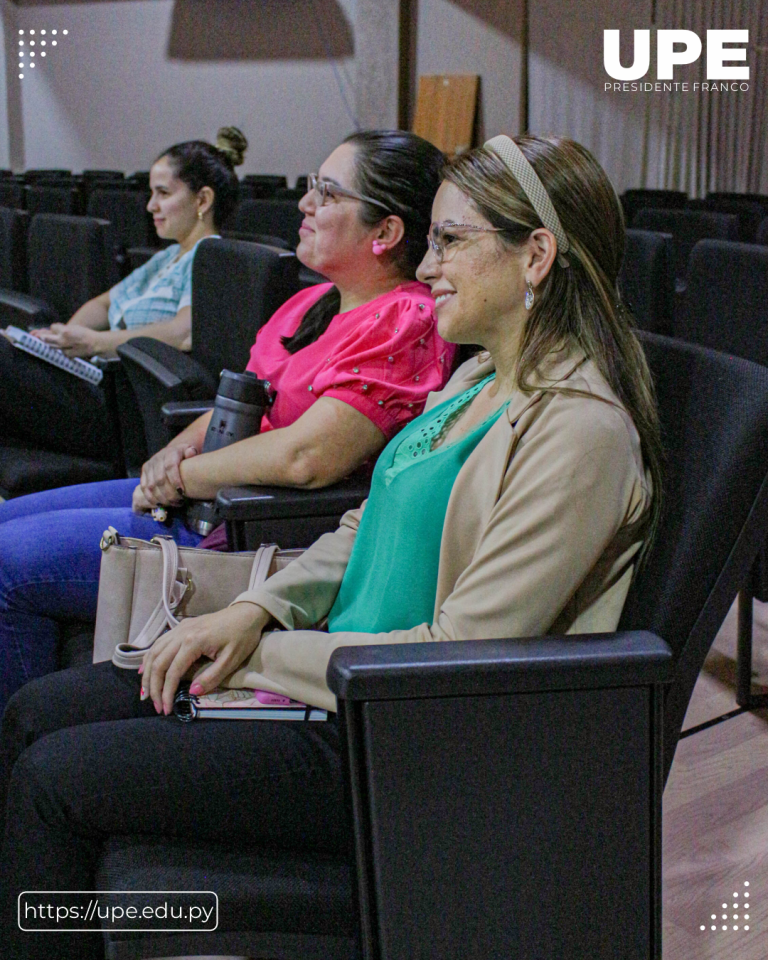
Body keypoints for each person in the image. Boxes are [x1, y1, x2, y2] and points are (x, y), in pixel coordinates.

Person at [0, 134, 662, 960]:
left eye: (451, 240)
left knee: (51, 783)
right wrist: (254, 608)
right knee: (34, 713)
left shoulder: (580, 433)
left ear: (536, 255)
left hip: (391, 743)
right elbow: (365, 526)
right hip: (327, 679)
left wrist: (263, 656)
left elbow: (455, 656)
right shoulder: (479, 380)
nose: (425, 268)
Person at [0, 130, 453, 714]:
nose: (305, 204)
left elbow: (308, 457)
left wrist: (189, 477)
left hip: (251, 531)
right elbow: (243, 401)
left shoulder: (405, 318)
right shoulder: (313, 302)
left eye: (327, 193)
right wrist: (176, 454)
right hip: (208, 499)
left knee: (8, 564)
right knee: (7, 518)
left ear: (386, 233)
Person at [0, 126, 247, 461]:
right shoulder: (167, 257)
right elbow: (104, 303)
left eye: (163, 193)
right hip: (101, 386)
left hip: (128, 411)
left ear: (202, 200)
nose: (150, 206)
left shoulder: (210, 258)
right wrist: (61, 345)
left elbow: (183, 332)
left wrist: (93, 342)